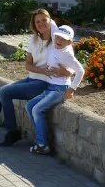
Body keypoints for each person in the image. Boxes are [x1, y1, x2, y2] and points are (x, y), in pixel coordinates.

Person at [0, 8, 72, 148]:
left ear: (51, 21)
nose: (41, 23)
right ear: (34, 24)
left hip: (45, 83)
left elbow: (71, 63)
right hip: (32, 78)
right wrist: (42, 70)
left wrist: (65, 73)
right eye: (37, 21)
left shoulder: (58, 39)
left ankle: (13, 132)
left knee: (4, 92)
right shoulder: (34, 39)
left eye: (44, 20)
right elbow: (28, 65)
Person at [26, 25, 85, 155]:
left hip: (59, 89)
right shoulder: (53, 45)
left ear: (69, 42)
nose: (58, 40)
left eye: (63, 39)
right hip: (50, 87)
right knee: (30, 105)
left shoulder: (67, 54)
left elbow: (80, 70)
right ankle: (42, 139)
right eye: (57, 37)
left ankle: (42, 144)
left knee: (37, 109)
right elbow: (51, 25)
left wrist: (71, 89)